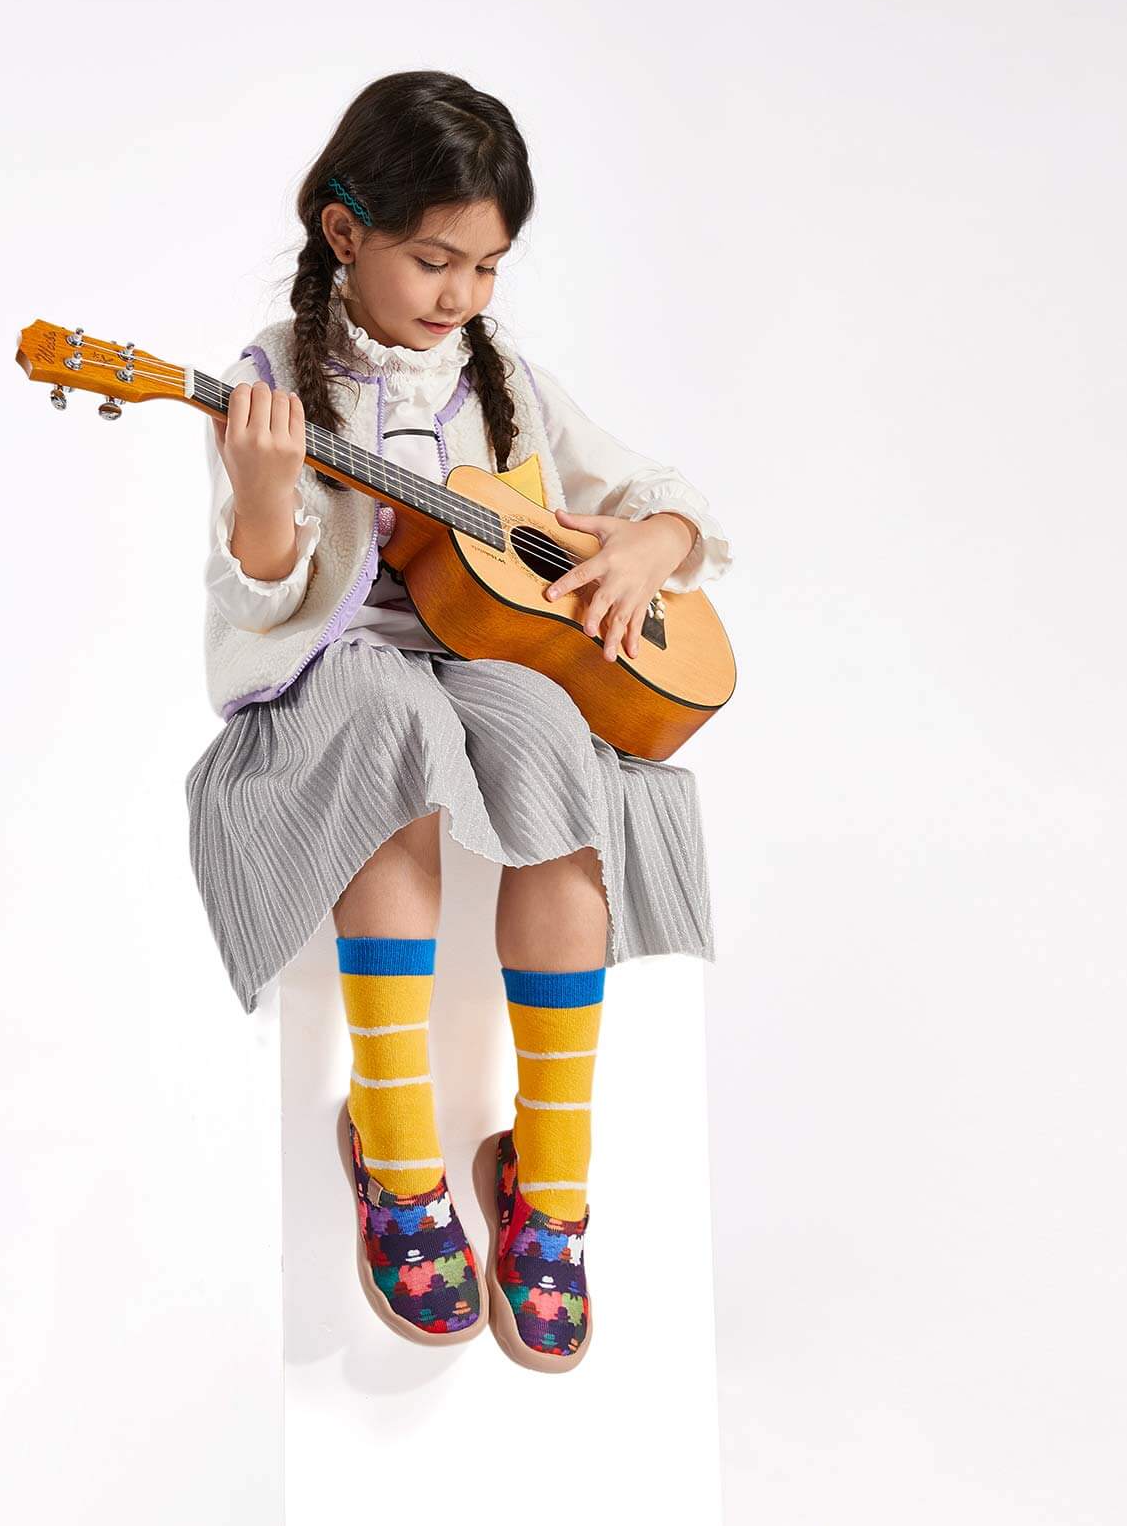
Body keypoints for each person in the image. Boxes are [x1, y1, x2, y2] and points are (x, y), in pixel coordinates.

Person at [184, 70, 733, 1372]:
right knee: (389, 724)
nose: (460, 296)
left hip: (478, 654)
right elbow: (263, 585)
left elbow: (659, 495)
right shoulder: (271, 380)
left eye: (487, 268)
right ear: (344, 231)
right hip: (341, 666)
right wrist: (262, 496)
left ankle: (551, 1169)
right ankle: (394, 1143)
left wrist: (653, 544)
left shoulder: (504, 384)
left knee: (550, 732)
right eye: (434, 261)